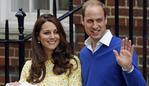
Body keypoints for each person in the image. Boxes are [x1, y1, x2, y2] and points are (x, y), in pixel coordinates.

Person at [80, 0, 146, 86]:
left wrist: (129, 69)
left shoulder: (121, 49)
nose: (95, 26)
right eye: (90, 21)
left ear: (106, 20)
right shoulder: (83, 53)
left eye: (99, 20)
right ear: (82, 21)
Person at [7, 14, 82, 86]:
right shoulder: (29, 66)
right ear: (38, 37)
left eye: (56, 32)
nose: (52, 36)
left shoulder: (71, 62)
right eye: (47, 33)